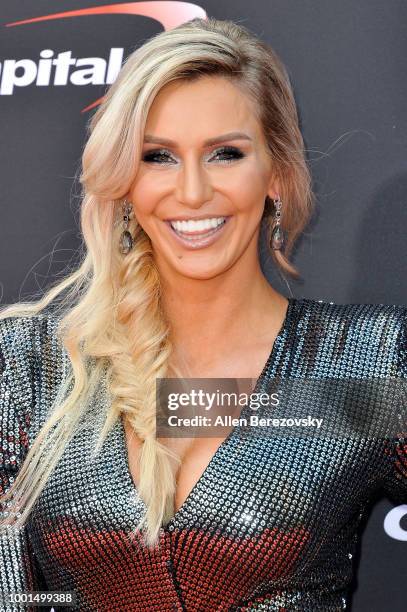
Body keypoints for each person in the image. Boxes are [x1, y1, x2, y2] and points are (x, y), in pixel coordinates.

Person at [0, 16, 406, 612]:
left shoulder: (361, 364)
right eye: (159, 156)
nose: (192, 192)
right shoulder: (31, 369)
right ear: (125, 180)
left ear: (278, 175)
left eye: (225, 154)